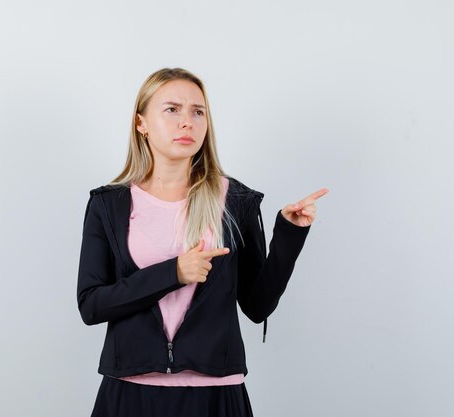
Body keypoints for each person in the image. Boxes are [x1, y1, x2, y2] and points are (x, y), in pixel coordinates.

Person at [76, 67, 328, 417]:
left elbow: (257, 306)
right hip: (129, 394)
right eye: (172, 109)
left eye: (198, 111)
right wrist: (174, 273)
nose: (187, 122)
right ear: (141, 123)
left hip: (216, 397)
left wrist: (289, 233)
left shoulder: (235, 200)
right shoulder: (109, 204)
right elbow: (91, 305)